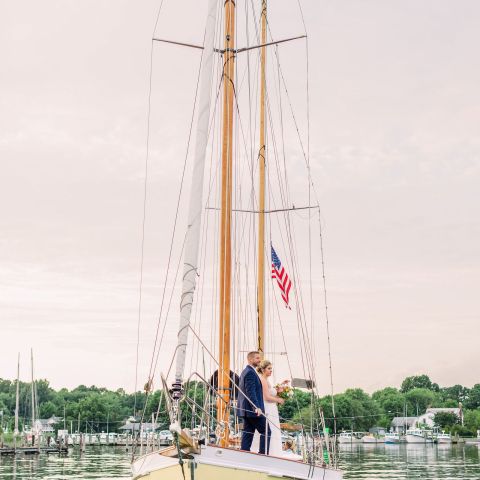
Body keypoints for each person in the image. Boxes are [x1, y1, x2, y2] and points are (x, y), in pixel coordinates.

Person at [237, 351, 269, 454]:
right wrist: (256, 407)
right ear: (250, 359)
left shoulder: (246, 371)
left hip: (247, 410)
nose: (259, 360)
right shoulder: (250, 372)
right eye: (257, 358)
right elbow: (250, 392)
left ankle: (244, 453)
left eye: (259, 358)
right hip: (252, 410)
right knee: (266, 431)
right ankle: (262, 455)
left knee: (248, 432)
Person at [254, 360, 284, 456]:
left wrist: (280, 387)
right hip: (267, 408)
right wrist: (278, 400)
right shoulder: (262, 380)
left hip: (271, 408)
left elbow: (271, 391)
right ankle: (268, 451)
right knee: (269, 429)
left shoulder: (266, 380)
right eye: (269, 368)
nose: (271, 371)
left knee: (273, 430)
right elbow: (266, 397)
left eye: (271, 368)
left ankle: (272, 451)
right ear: (263, 369)